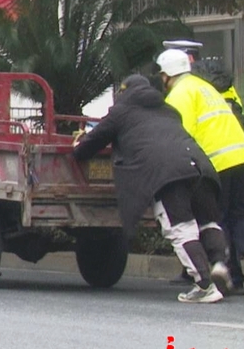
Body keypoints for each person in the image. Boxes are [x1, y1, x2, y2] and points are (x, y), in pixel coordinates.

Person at [73, 74, 231, 303]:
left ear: (124, 93)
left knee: (181, 229)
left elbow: (91, 143)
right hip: (200, 166)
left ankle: (205, 286)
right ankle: (220, 266)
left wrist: (77, 146)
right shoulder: (168, 110)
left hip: (166, 173)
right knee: (208, 222)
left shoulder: (122, 111)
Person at [156, 49, 244, 295]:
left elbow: (180, 135)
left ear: (166, 75)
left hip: (217, 162)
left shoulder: (179, 94)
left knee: (217, 220)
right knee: (238, 216)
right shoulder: (205, 88)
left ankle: (230, 276)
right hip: (242, 156)